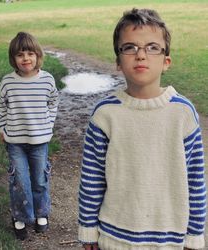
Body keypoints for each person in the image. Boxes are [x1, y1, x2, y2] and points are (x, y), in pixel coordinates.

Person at [78, 8, 206, 250]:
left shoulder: (183, 113)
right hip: (115, 238)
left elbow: (196, 180)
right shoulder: (104, 114)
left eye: (152, 47)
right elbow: (92, 180)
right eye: (129, 47)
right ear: (118, 61)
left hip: (170, 240)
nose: (140, 55)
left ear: (166, 61)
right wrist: (88, 230)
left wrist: (194, 237)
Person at [0, 32, 58, 240]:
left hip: (40, 142)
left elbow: (53, 102)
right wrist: (3, 128)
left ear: (38, 55)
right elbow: (1, 108)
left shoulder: (47, 80)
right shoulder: (7, 82)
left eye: (30, 53)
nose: (26, 58)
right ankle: (20, 216)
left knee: (40, 180)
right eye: (20, 54)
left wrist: (48, 124)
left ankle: (41, 213)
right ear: (13, 58)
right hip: (15, 142)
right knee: (20, 181)